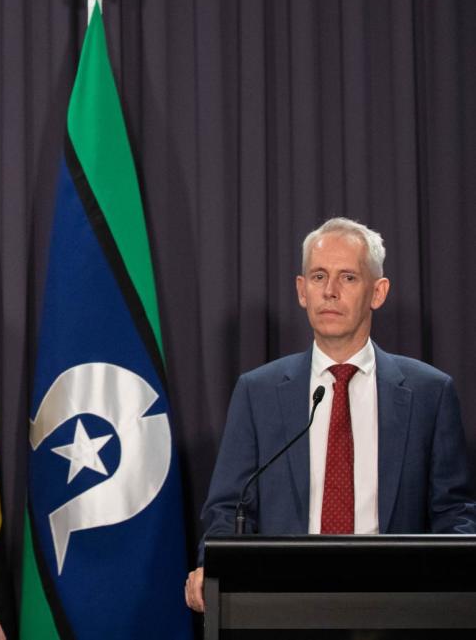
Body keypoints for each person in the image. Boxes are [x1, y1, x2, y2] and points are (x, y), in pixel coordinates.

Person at [185, 217, 476, 612]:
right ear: (302, 291)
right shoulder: (258, 392)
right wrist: (212, 567)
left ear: (378, 291)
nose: (331, 292)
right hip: (281, 606)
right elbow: (227, 509)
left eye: (348, 278)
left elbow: (454, 514)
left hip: (396, 606)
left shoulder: (430, 393)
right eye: (319, 277)